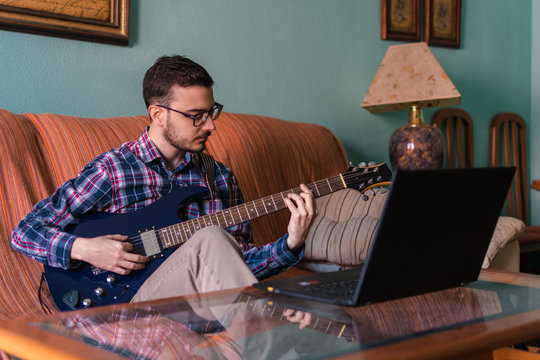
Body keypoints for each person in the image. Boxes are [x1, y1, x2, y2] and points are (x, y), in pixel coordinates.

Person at [10, 55, 316, 312]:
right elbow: (25, 232)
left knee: (215, 243)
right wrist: (87, 249)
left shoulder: (219, 177)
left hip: (200, 303)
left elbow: (236, 269)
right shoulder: (114, 170)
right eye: (196, 116)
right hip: (126, 303)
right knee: (210, 237)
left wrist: (291, 243)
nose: (210, 125)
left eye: (211, 113)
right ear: (157, 114)